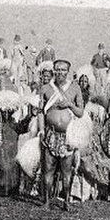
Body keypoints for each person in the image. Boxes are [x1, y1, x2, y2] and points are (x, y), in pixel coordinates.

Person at [38, 59, 85, 210]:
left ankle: (66, 202)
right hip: (50, 134)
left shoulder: (75, 88)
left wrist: (70, 104)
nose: (60, 72)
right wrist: (41, 130)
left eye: (63, 70)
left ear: (68, 71)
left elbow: (80, 112)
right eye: (57, 69)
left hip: (68, 136)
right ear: (54, 71)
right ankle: (46, 201)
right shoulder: (45, 88)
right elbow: (40, 112)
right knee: (48, 170)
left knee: (66, 171)